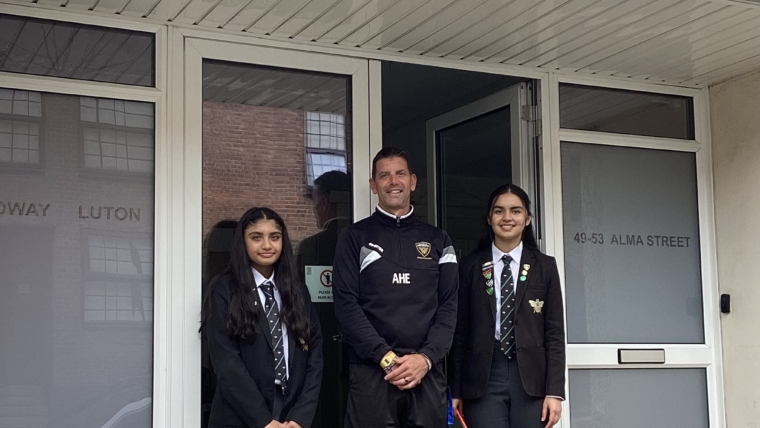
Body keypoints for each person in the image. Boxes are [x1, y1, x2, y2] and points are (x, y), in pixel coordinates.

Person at [332, 147, 458, 428]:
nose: (393, 181)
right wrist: (386, 358)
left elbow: (449, 308)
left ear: (413, 181)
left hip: (425, 373)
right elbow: (345, 305)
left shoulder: (438, 239)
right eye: (384, 176)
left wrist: (424, 359)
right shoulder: (354, 238)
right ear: (373, 185)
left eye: (400, 174)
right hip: (371, 374)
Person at [449, 184, 566, 428]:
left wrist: (554, 392)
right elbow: (460, 333)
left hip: (531, 379)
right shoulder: (470, 266)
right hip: (483, 377)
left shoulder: (545, 267)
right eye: (499, 211)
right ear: (489, 217)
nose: (507, 218)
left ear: (527, 219)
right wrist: (456, 390)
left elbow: (554, 333)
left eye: (516, 211)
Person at [201, 207, 323, 428]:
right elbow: (227, 363)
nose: (267, 245)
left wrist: (300, 417)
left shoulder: (297, 291)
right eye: (256, 237)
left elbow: (315, 356)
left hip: (290, 415)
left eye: (274, 237)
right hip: (240, 415)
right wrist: (263, 421)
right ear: (243, 242)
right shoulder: (225, 289)